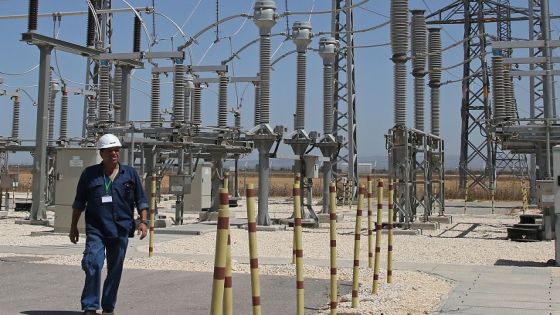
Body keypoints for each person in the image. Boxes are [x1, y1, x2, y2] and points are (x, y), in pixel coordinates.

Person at [69, 133, 149, 315]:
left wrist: (143, 221)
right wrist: (73, 227)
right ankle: (90, 306)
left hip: (121, 228)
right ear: (101, 152)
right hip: (96, 228)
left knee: (115, 269)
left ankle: (108, 307)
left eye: (116, 150)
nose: (114, 153)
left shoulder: (129, 173)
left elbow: (141, 200)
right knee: (93, 263)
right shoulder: (89, 175)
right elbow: (79, 202)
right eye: (110, 150)